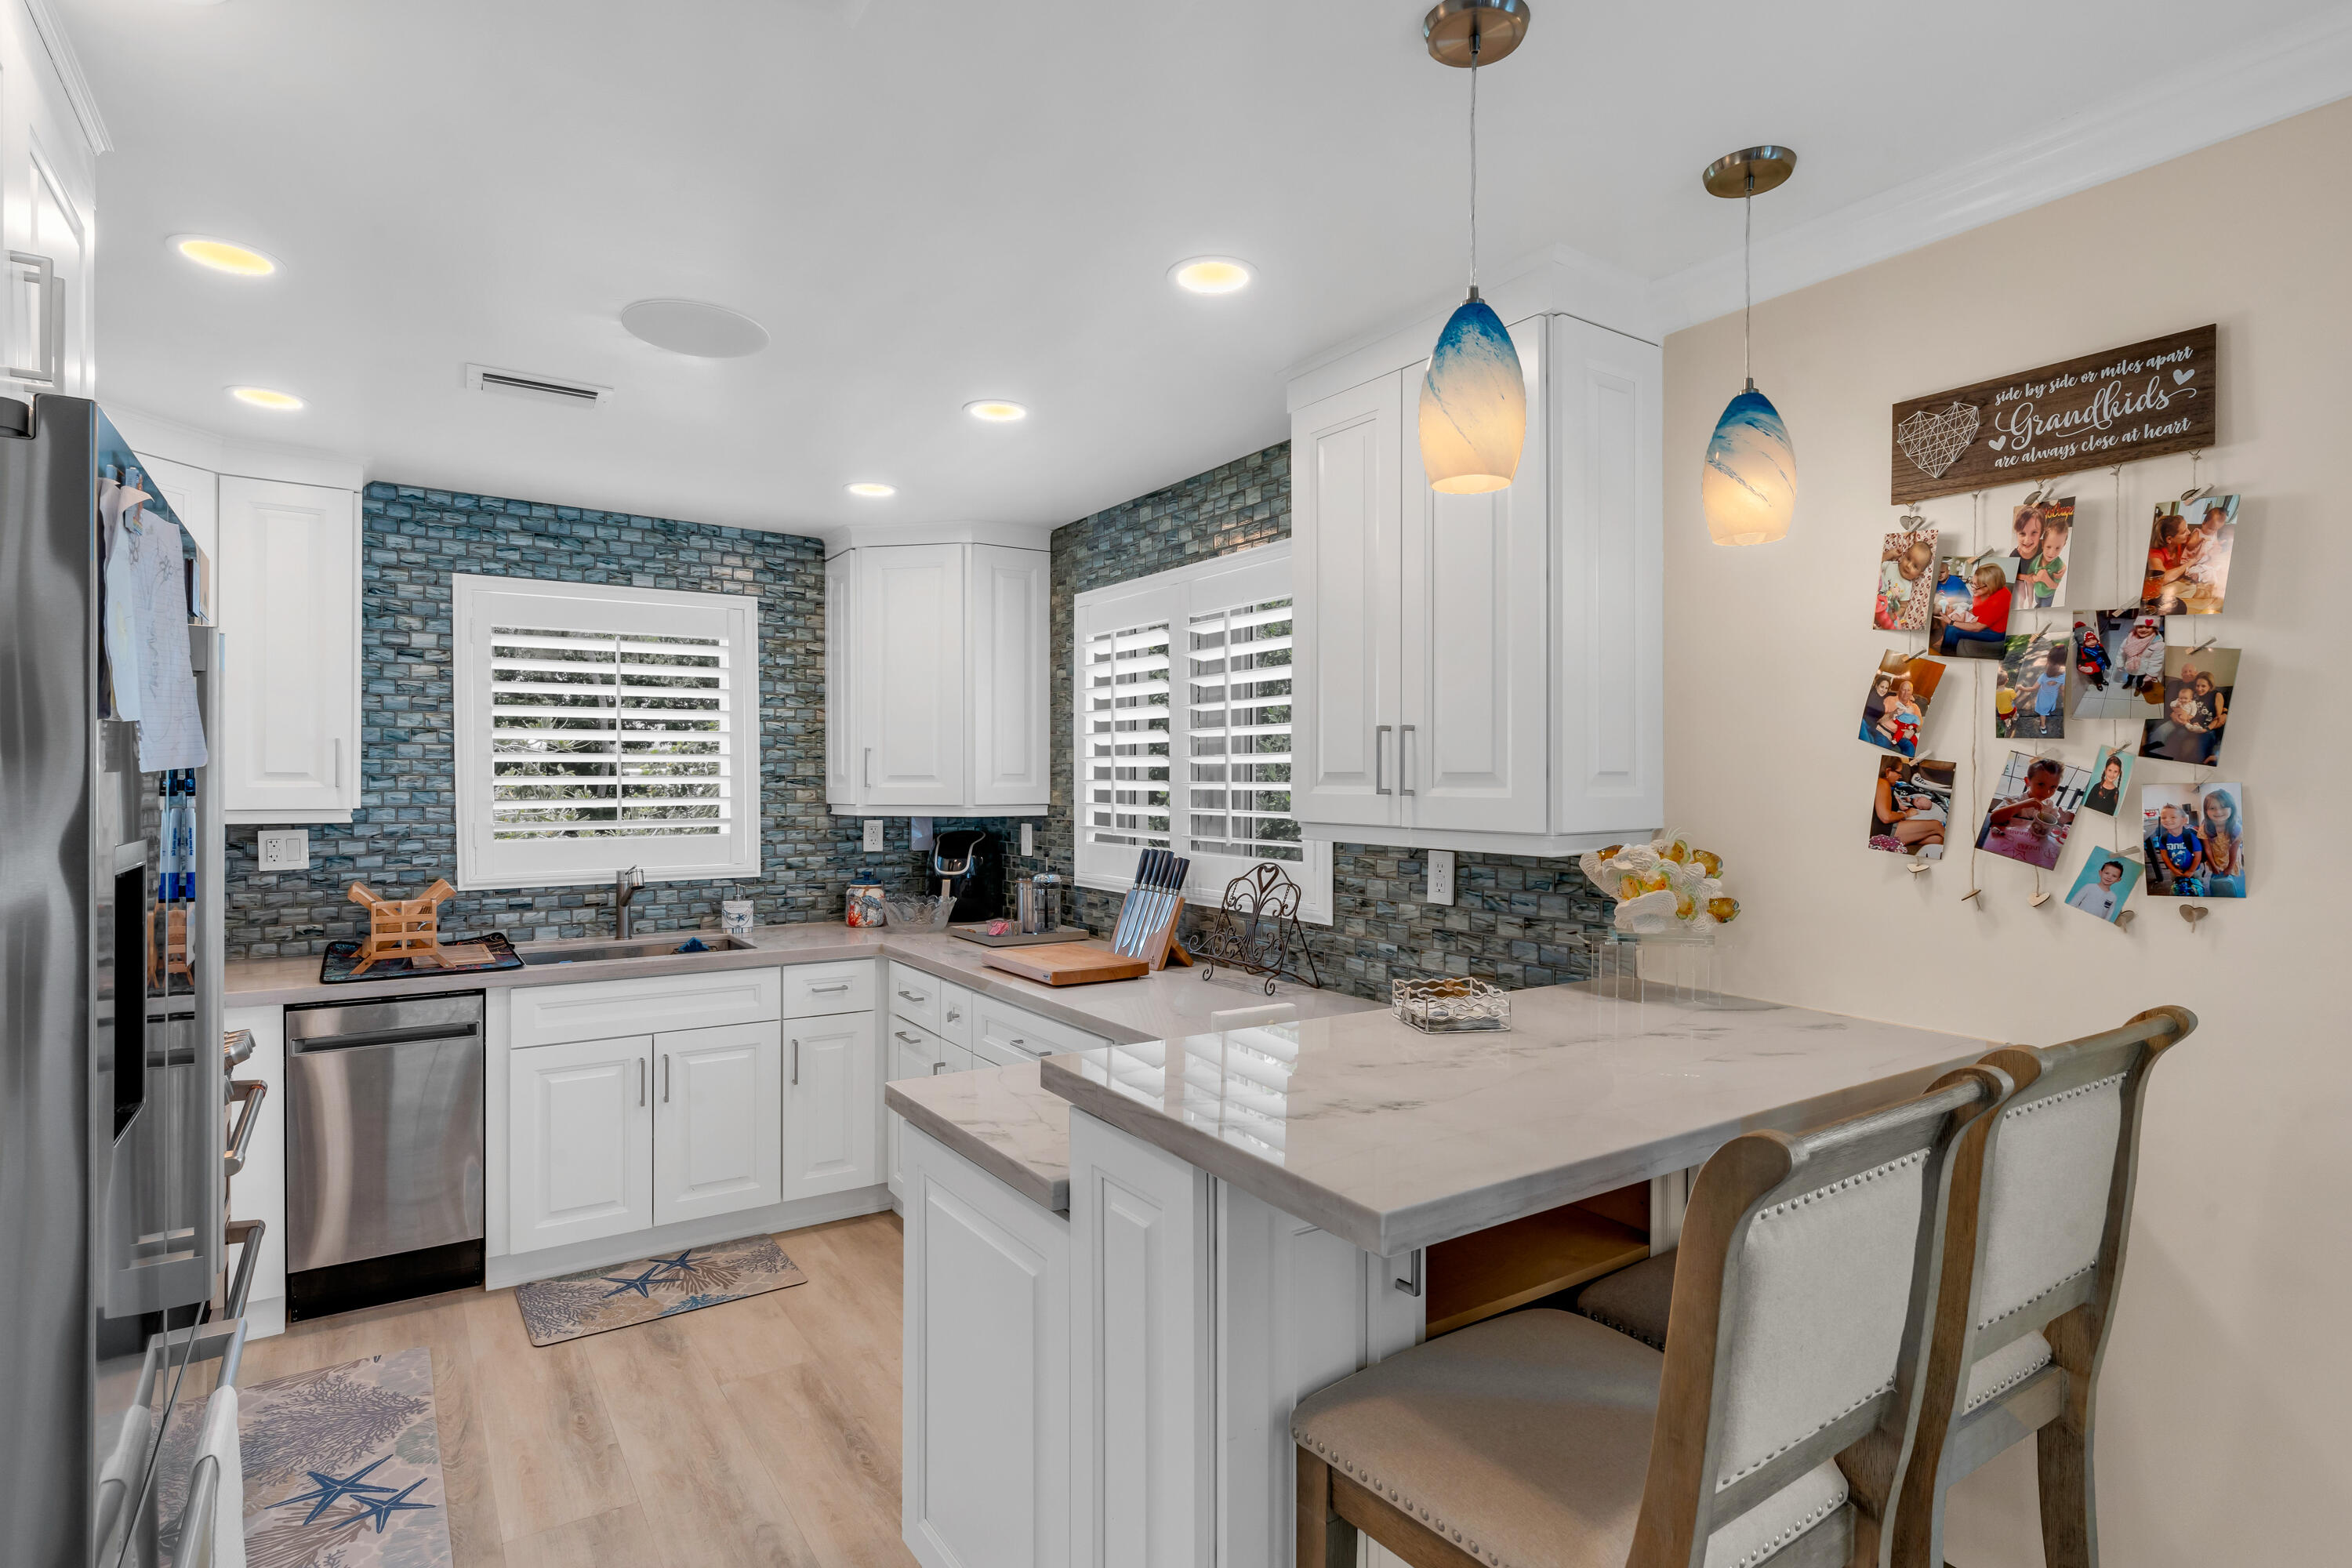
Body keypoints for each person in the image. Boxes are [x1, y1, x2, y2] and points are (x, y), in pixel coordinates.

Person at [1980, 756, 2071, 866]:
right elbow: (1994, 818)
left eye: (2053, 787)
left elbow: (2055, 825)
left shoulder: (2050, 806)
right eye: (2041, 784)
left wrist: (2064, 820)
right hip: (2006, 847)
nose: (2047, 792)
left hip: (2034, 853)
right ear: (2028, 782)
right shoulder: (2015, 801)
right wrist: (2022, 805)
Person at [1871, 758, 1946, 855]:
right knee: (1936, 825)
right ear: (1888, 771)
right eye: (1898, 773)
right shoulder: (1882, 782)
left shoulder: (1888, 786)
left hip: (1889, 828)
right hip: (1884, 830)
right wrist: (1906, 814)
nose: (1900, 776)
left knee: (1936, 839)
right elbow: (1886, 817)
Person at [1937, 560, 2012, 656]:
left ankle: (1945, 654)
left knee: (1953, 630)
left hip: (1996, 632)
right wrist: (1957, 615)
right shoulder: (1980, 592)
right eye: (1973, 583)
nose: (1972, 589)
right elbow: (1974, 610)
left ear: (1991, 586)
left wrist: (1952, 621)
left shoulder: (2000, 600)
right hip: (1981, 621)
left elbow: (1978, 627)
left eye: (1977, 586)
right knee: (1950, 626)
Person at [2145, 800, 2206, 895]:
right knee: (2178, 888)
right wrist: (2174, 870)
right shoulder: (2163, 838)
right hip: (2175, 871)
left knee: (2197, 888)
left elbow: (2198, 855)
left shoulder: (2191, 836)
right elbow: (2164, 857)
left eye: (2173, 817)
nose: (2168, 820)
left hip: (2194, 870)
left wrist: (2191, 871)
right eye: (2164, 817)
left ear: (2184, 820)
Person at [1877, 538, 1936, 630]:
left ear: (1918, 575)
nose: (1908, 566)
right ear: (1904, 556)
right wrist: (1891, 554)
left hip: (1882, 611)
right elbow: (1877, 563)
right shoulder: (1891, 565)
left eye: (1915, 566)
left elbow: (1903, 607)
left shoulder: (1907, 587)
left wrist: (1894, 616)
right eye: (1908, 559)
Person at [2198, 786, 2245, 895]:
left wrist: (2229, 867)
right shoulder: (2205, 827)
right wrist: (2213, 865)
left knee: (2232, 879)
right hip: (2215, 857)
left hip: (2230, 858)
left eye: (2223, 807)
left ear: (2232, 808)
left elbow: (2234, 851)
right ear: (2206, 811)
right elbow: (2207, 848)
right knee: (2217, 877)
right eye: (2212, 808)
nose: (2218, 811)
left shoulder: (2236, 828)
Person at [2067, 856, 2128, 920]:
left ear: (2118, 880)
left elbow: (2108, 916)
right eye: (2107, 873)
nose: (2109, 877)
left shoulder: (2113, 897)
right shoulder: (2089, 887)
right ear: (2100, 873)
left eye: (2114, 876)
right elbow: (2073, 903)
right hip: (2077, 918)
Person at [2082, 751, 2125, 816]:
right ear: (2105, 770)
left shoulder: (2116, 792)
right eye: (2110, 770)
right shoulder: (2096, 786)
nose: (2112, 774)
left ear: (2119, 773)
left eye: (2115, 772)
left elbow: (2111, 813)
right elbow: (2086, 806)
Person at [1860, 673, 1893, 746]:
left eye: (1886, 688)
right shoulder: (1872, 697)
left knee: (1872, 742)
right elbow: (1867, 718)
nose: (1884, 690)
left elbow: (1892, 693)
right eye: (1882, 687)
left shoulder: (1880, 697)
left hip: (1870, 726)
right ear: (1876, 686)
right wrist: (1884, 732)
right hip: (1864, 723)